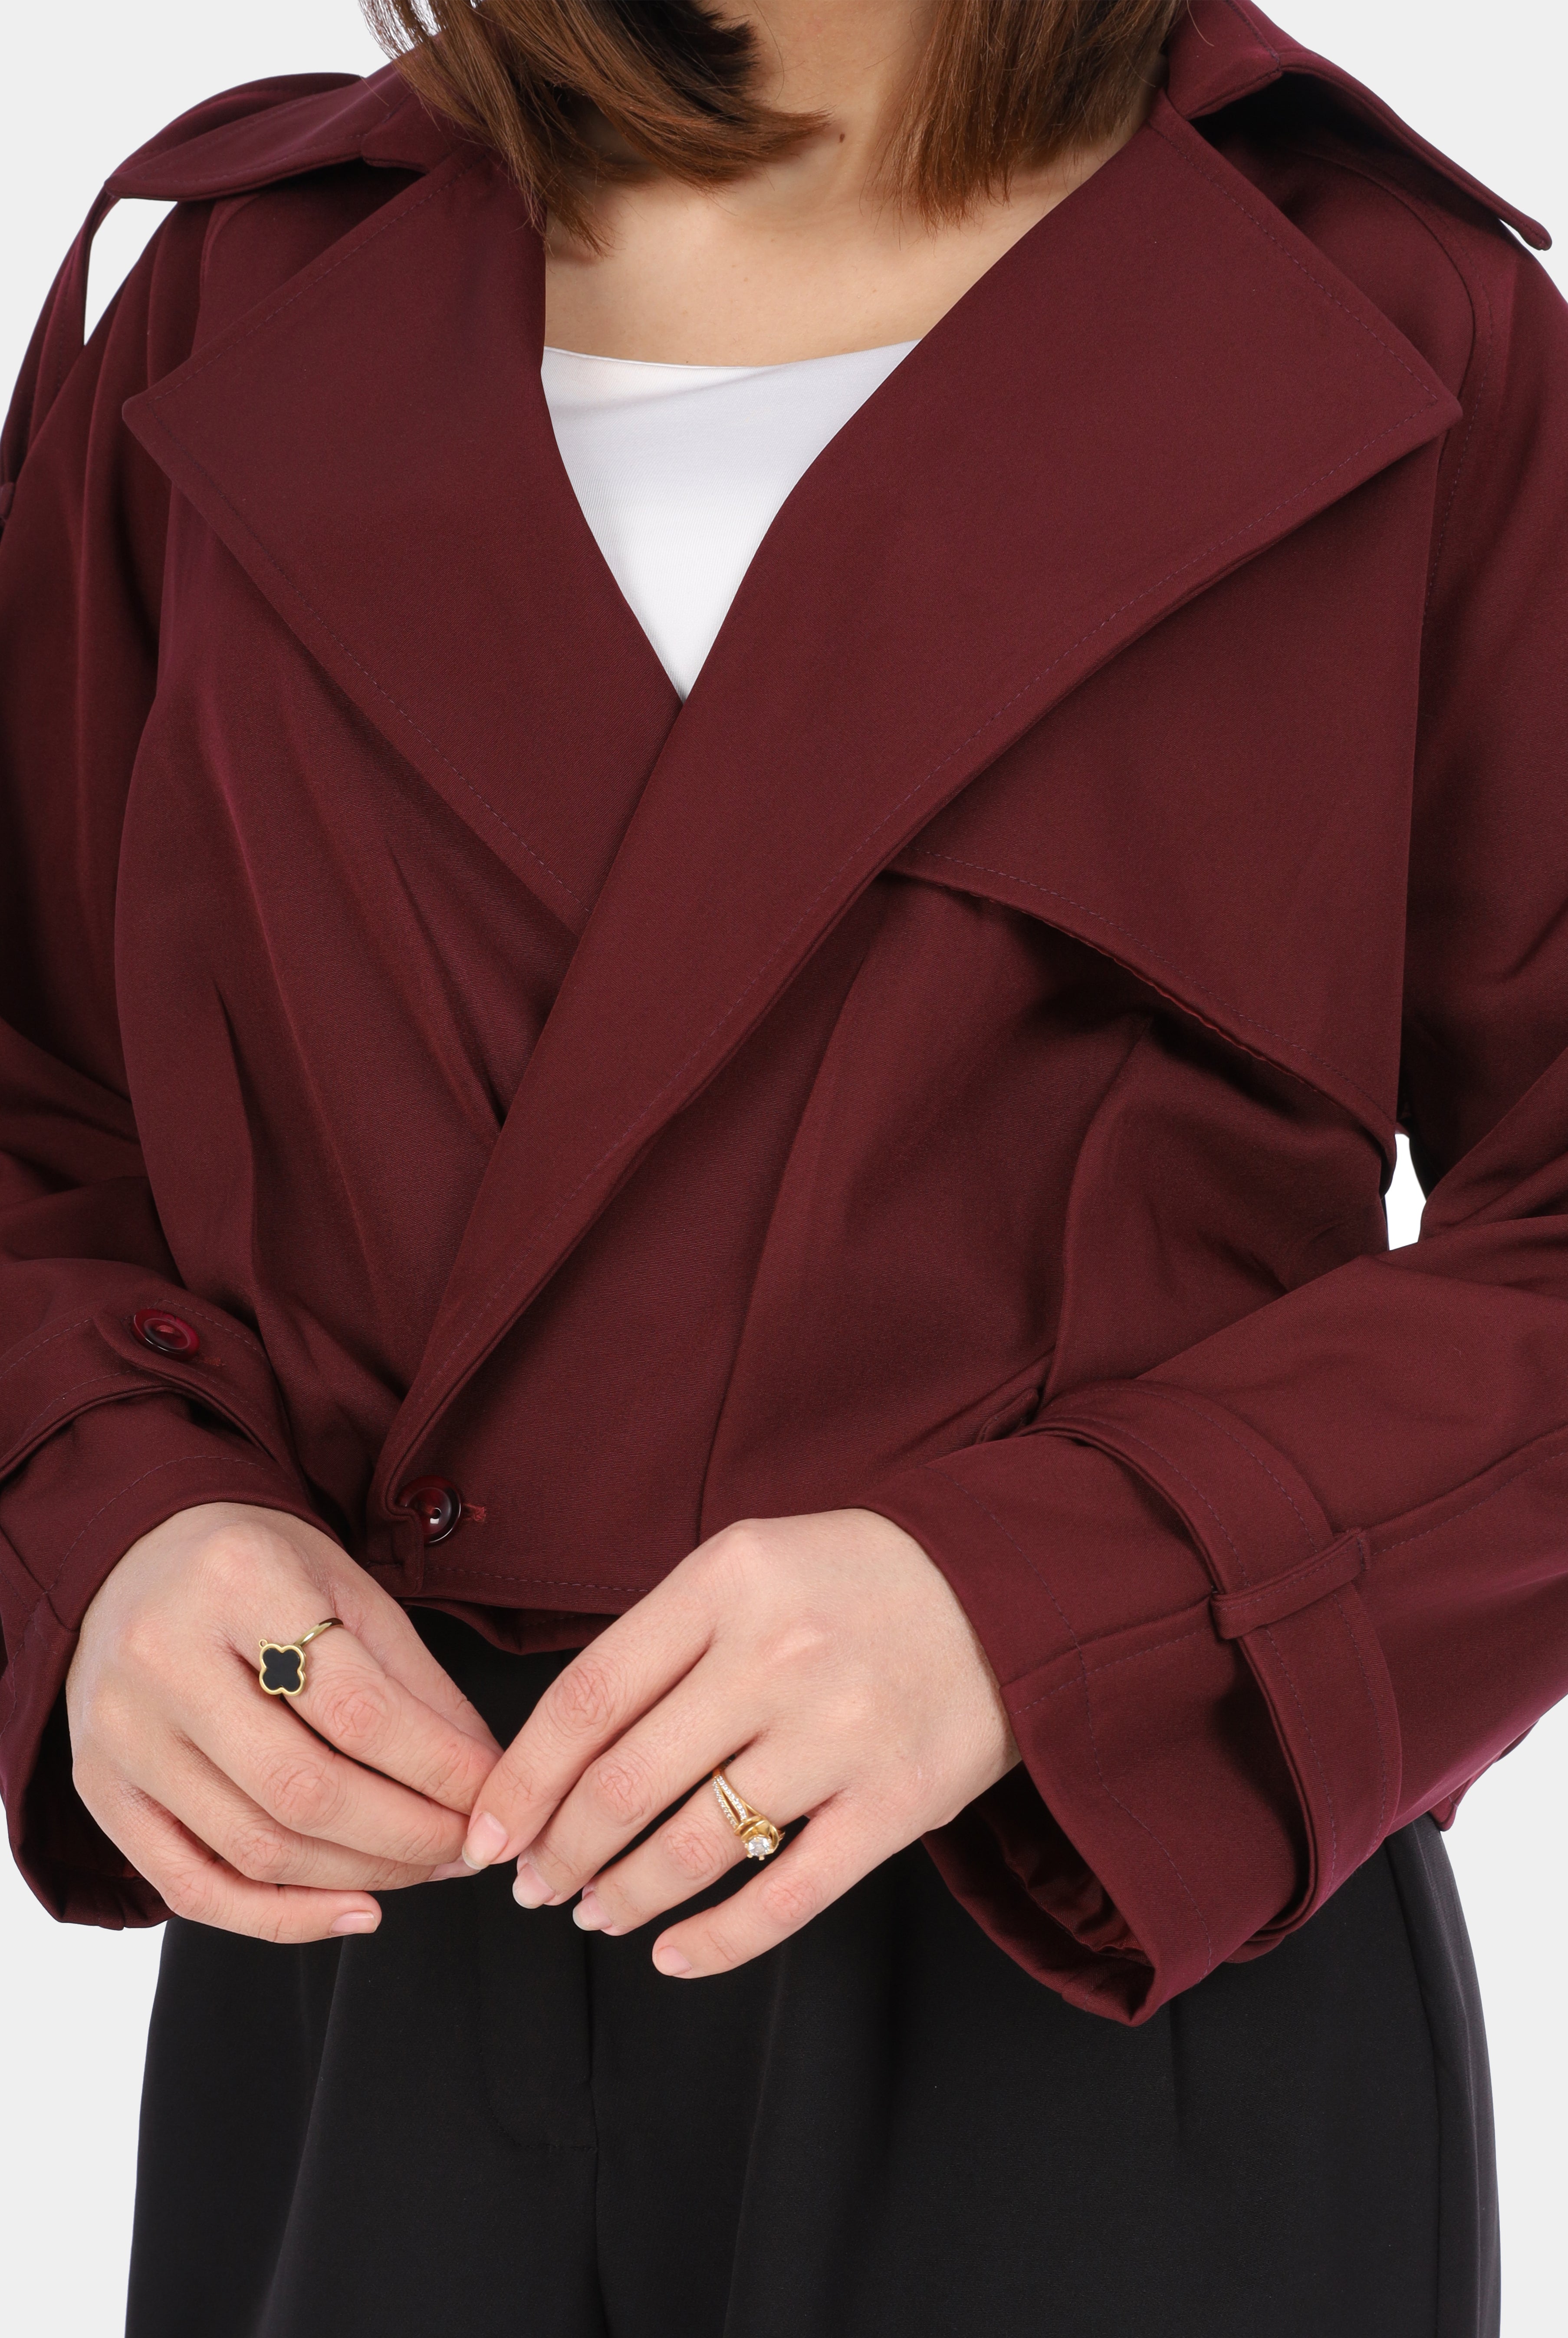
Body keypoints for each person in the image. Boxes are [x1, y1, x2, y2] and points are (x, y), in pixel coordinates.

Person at [1, 0, 1563, 2328]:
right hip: (365, 1948)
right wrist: (111, 1518)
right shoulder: (242, 287)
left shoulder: (1394, 313)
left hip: (1099, 1946)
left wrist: (1051, 1605)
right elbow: (40, 1086)